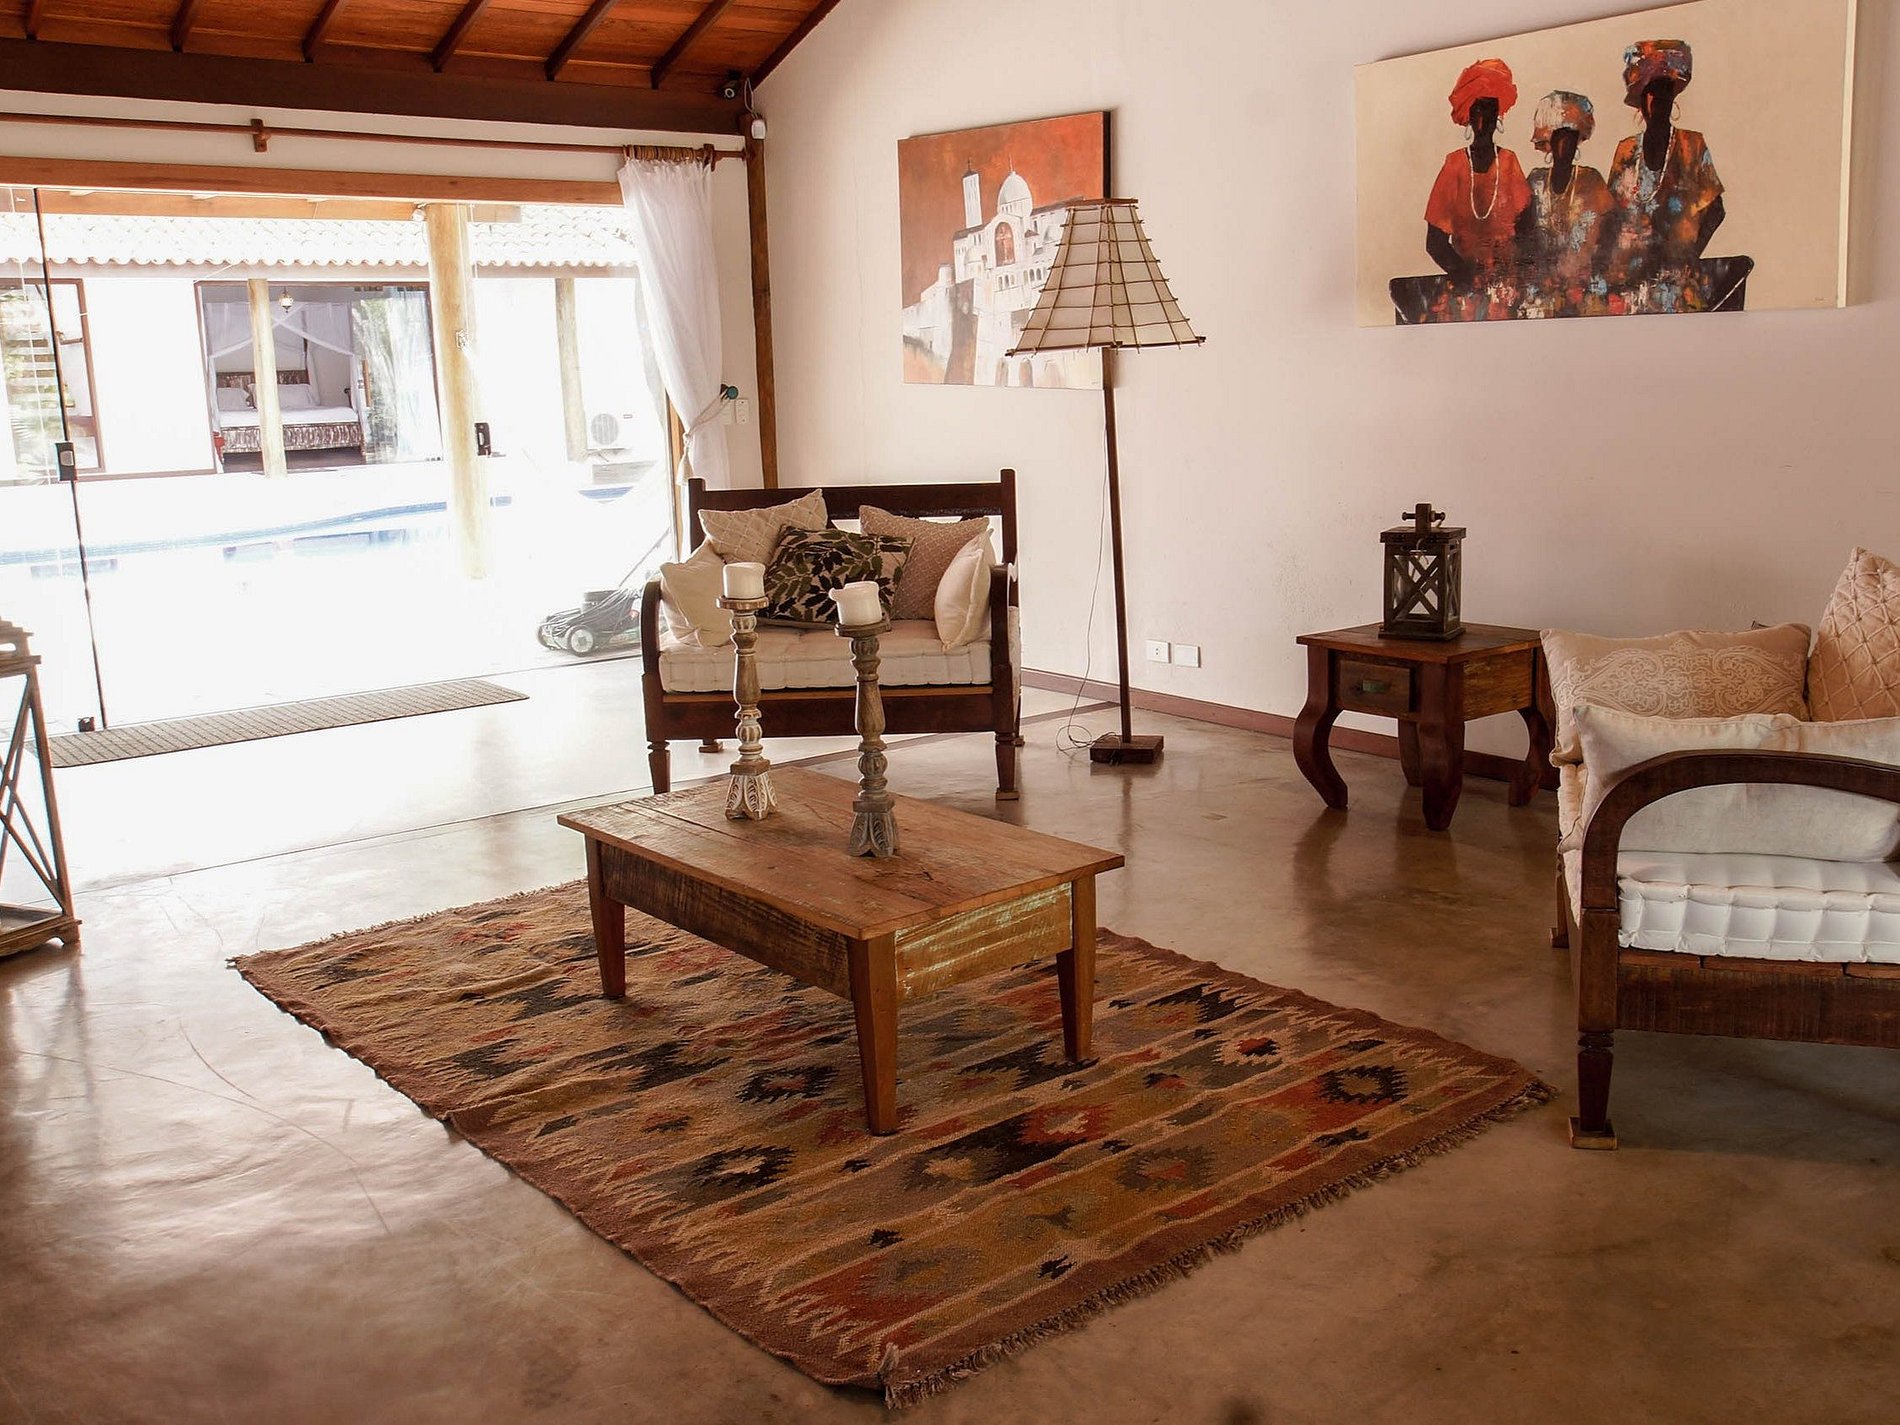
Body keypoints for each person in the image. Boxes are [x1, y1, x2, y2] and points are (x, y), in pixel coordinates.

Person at [1605, 39, 1726, 312]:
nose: (1659, 99)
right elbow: (1611, 216)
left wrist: (1686, 254)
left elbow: (1716, 209)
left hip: (1678, 282)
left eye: (1665, 91)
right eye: (1652, 91)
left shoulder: (1691, 145)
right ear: (1641, 99)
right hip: (1629, 282)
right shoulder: (1626, 150)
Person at [1423, 57, 1533, 317]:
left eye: (1490, 111)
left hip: (1509, 289)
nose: (1484, 119)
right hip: (1465, 292)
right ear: (1469, 116)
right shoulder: (1454, 165)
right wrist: (1465, 276)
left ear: (1498, 116)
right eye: (1478, 111)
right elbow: (1435, 242)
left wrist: (1511, 276)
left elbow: (1528, 229)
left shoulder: (1509, 162)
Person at [1524, 90, 1615, 316]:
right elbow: (1522, 237)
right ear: (1549, 140)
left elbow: (1610, 235)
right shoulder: (1535, 181)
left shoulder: (1592, 181)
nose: (1565, 144)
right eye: (1559, 136)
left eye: (1571, 137)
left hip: (1585, 294)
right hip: (1540, 294)